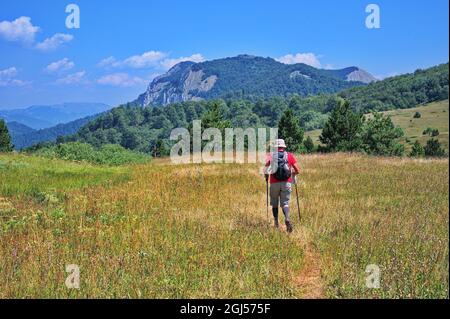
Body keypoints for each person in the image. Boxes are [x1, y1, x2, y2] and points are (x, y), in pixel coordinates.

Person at [264, 139, 300, 233]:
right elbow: (298, 170)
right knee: (285, 203)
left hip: (274, 182)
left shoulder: (271, 156)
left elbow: (265, 168)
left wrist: (266, 176)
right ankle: (287, 218)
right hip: (286, 182)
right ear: (284, 147)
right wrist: (293, 173)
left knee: (274, 204)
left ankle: (276, 223)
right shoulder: (289, 156)